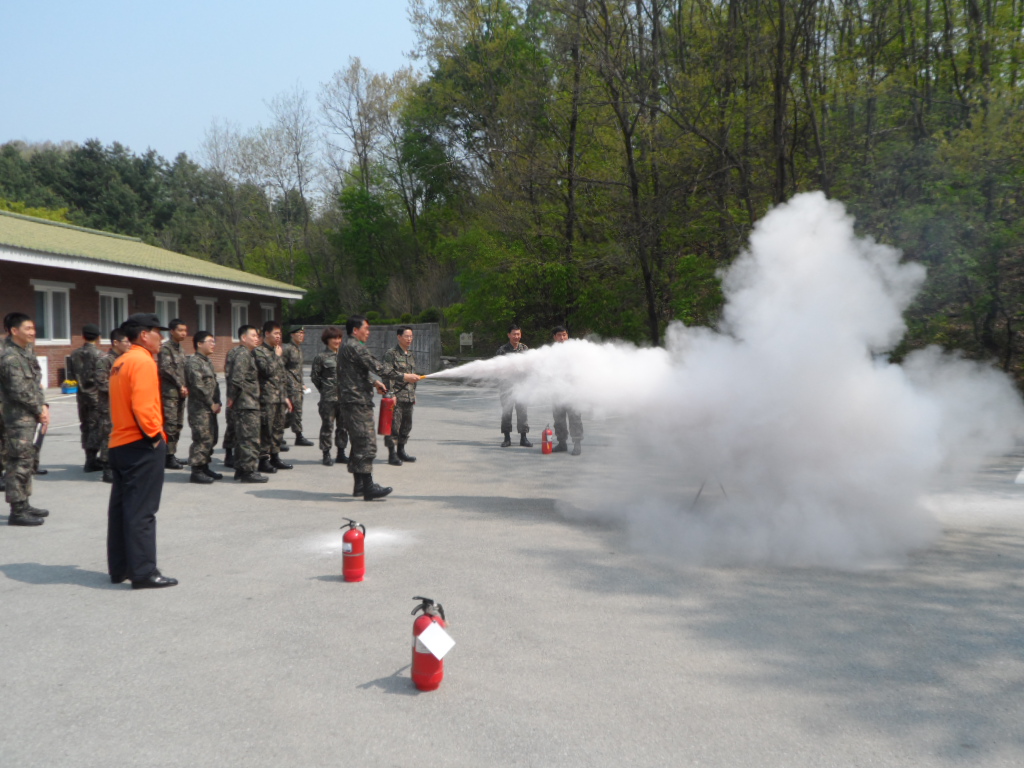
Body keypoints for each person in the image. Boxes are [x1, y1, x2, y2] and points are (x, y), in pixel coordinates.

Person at [107, 313, 177, 588]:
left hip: (120, 442)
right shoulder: (143, 361)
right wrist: (154, 437)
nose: (162, 338)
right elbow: (143, 406)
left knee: (121, 510)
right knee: (142, 511)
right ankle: (144, 572)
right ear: (145, 335)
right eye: (158, 332)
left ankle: (120, 568)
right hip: (140, 444)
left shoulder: (121, 361)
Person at [338, 315, 420, 500]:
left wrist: (373, 382)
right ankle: (368, 487)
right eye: (365, 329)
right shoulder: (356, 346)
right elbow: (378, 367)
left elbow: (353, 371)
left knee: (358, 444)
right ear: (355, 330)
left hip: (351, 401)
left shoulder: (346, 346)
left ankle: (359, 485)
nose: (368, 332)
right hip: (357, 402)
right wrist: (404, 376)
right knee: (367, 443)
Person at [0, 312, 51, 525]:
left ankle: (24, 502)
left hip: (30, 415)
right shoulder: (10, 357)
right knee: (18, 462)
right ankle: (17, 510)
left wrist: (44, 406)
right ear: (14, 331)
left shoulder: (26, 352)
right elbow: (18, 390)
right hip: (17, 419)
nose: (32, 332)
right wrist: (39, 409)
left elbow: (35, 383)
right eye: (27, 328)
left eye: (33, 328)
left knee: (27, 460)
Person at [225, 325, 268, 483]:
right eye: (253, 335)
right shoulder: (243, 354)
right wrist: (232, 398)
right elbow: (237, 378)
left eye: (257, 336)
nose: (257, 338)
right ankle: (248, 471)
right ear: (244, 338)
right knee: (250, 439)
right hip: (246, 403)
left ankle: (241, 469)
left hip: (246, 403)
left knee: (242, 438)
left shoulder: (246, 353)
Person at [253, 321, 293, 474]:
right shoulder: (259, 352)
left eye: (280, 334)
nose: (279, 336)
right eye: (276, 333)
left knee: (278, 429)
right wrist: (276, 357)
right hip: (266, 398)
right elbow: (267, 371)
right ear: (267, 334)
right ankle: (263, 459)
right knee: (266, 430)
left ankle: (275, 457)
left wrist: (285, 397)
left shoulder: (277, 351)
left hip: (279, 398)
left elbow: (281, 377)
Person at [185, 331, 224, 485]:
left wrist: (217, 402)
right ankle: (196, 471)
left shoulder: (207, 361)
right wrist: (210, 402)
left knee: (211, 438)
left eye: (214, 341)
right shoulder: (194, 362)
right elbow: (197, 386)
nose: (213, 344)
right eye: (210, 341)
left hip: (210, 408)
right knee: (201, 438)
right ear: (199, 344)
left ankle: (204, 466)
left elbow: (214, 384)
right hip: (199, 409)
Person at [95, 328, 132, 483]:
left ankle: (120, 465)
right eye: (126, 341)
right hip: (108, 406)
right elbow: (101, 382)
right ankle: (107, 468)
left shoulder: (127, 359)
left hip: (124, 405)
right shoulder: (105, 360)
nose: (129, 344)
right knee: (108, 436)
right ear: (115, 342)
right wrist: (120, 389)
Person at [310, 326, 349, 467]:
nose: (337, 341)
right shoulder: (321, 357)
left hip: (344, 398)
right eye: (334, 338)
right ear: (327, 340)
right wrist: (325, 389)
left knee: (343, 427)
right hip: (328, 399)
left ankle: (341, 453)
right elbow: (315, 377)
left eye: (339, 338)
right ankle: (326, 454)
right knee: (327, 426)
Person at [69, 323, 105, 472]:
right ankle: (92, 460)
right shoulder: (100, 355)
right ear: (98, 337)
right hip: (96, 396)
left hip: (81, 395)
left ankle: (88, 457)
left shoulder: (74, 354)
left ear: (83, 336)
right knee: (96, 426)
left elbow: (72, 374)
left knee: (85, 426)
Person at [383, 325, 419, 466]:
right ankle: (392, 454)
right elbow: (386, 374)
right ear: (399, 337)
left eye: (411, 336)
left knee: (406, 426)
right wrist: (390, 394)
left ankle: (401, 451)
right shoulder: (391, 354)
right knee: (393, 427)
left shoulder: (411, 355)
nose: (409, 339)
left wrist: (413, 394)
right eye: (406, 336)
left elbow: (412, 377)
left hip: (408, 397)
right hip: (396, 396)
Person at [158, 319, 189, 469]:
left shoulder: (181, 349)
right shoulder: (166, 348)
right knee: (169, 425)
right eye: (180, 330)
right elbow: (166, 369)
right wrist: (180, 384)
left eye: (185, 330)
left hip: (180, 393)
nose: (184, 333)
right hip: (169, 393)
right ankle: (166, 456)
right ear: (172, 331)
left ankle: (172, 454)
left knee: (178, 424)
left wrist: (186, 386)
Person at [550, 326, 584, 455]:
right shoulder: (550, 352)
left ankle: (577, 444)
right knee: (558, 420)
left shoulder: (575, 351)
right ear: (554, 337)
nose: (562, 338)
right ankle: (562, 443)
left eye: (564, 335)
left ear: (567, 336)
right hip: (557, 391)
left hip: (572, 391)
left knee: (575, 419)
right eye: (559, 335)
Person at [496, 323, 531, 447]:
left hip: (521, 386)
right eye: (514, 334)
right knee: (507, 412)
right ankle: (507, 438)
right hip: (507, 387)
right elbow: (498, 368)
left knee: (522, 412)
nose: (516, 336)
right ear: (509, 335)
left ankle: (523, 438)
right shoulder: (502, 350)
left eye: (518, 334)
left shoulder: (525, 348)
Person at [283, 326, 313, 446]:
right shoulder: (287, 349)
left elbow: (298, 370)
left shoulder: (298, 349)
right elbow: (281, 367)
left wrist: (302, 384)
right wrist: (285, 384)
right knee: (296, 410)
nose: (301, 335)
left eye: (303, 333)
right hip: (289, 385)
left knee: (293, 412)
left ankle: (276, 431)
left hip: (297, 385)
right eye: (299, 333)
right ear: (292, 334)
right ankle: (298, 436)